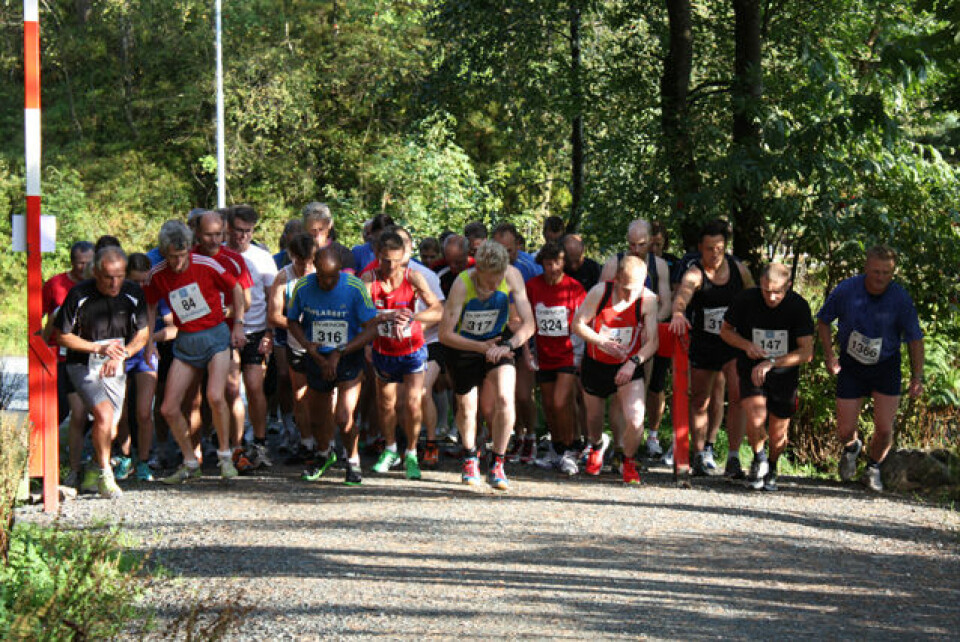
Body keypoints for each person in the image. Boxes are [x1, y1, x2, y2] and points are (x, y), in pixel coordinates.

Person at [144, 220, 247, 484]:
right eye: (172, 257)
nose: (177, 262)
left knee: (215, 394)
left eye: (181, 256)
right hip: (186, 340)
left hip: (215, 336)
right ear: (164, 253)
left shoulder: (206, 264)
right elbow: (150, 306)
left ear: (189, 249)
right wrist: (148, 343)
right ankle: (190, 461)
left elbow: (236, 288)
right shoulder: (158, 273)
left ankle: (225, 457)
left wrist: (238, 324)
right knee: (168, 407)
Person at [817, 245, 924, 492]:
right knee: (845, 429)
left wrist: (917, 376)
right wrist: (830, 356)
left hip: (886, 365)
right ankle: (852, 447)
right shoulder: (846, 290)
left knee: (885, 429)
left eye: (887, 273)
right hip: (851, 364)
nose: (881, 278)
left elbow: (915, 339)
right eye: (876, 272)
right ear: (866, 268)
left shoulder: (900, 298)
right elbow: (823, 321)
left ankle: (873, 467)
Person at [439, 240, 535, 490]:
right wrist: (479, 347)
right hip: (465, 346)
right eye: (488, 280)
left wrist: (510, 345)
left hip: (498, 343)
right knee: (467, 407)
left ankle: (498, 462)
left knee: (505, 397)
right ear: (478, 269)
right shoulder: (463, 283)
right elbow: (445, 334)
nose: (493, 286)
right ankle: (470, 455)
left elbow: (529, 324)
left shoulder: (513, 276)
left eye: (497, 279)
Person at [55, 247, 149, 498]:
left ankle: (93, 468)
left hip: (115, 363)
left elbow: (143, 333)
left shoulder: (132, 293)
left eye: (119, 276)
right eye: (108, 276)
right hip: (83, 364)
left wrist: (124, 352)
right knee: (104, 415)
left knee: (111, 427)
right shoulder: (79, 294)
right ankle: (106, 475)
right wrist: (98, 348)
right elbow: (60, 335)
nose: (114, 282)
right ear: (96, 272)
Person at [669, 219, 754, 477]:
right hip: (705, 344)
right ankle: (699, 454)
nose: (715, 254)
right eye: (709, 249)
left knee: (737, 396)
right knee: (700, 401)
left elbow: (754, 298)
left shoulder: (739, 270)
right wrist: (678, 313)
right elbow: (682, 296)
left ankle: (733, 457)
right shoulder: (695, 273)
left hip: (732, 342)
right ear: (700, 248)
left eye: (719, 248)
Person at [287, 247, 379, 485]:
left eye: (332, 276)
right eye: (322, 276)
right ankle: (323, 454)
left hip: (348, 356)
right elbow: (292, 321)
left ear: (340, 270)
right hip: (317, 356)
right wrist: (309, 347)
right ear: (315, 269)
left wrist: (341, 351)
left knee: (344, 416)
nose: (327, 282)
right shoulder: (303, 287)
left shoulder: (354, 287)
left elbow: (372, 327)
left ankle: (353, 460)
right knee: (318, 416)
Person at [720, 263, 814, 491]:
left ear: (788, 286)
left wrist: (772, 362)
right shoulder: (745, 300)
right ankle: (759, 458)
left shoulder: (798, 306)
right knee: (755, 416)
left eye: (777, 292)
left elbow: (806, 353)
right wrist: (746, 345)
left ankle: (772, 466)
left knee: (778, 431)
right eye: (766, 290)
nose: (771, 297)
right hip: (751, 368)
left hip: (784, 373)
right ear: (760, 284)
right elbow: (725, 331)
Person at [364, 230, 444, 480]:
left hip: (412, 349)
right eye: (386, 259)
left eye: (396, 260)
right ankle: (390, 450)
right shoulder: (369, 279)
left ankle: (411, 452)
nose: (391, 265)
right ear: (377, 255)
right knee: (386, 404)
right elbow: (360, 315)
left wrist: (412, 317)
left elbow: (438, 311)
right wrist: (386, 316)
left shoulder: (414, 277)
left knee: (412, 402)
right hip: (384, 350)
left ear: (404, 257)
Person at [573, 256, 659, 484]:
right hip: (596, 363)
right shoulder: (599, 293)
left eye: (637, 288)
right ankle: (597, 445)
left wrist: (633, 363)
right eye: (626, 288)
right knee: (594, 418)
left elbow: (653, 342)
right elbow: (578, 324)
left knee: (636, 418)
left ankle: (628, 461)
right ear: (617, 279)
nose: (631, 295)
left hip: (628, 365)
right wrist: (601, 342)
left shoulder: (648, 300)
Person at [599, 220, 672, 468]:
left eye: (641, 244)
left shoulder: (658, 265)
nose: (636, 249)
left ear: (651, 240)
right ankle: (618, 447)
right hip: (616, 338)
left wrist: (648, 324)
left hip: (643, 341)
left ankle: (631, 448)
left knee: (639, 393)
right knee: (617, 395)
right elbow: (600, 300)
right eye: (631, 243)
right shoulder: (614, 263)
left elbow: (666, 305)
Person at [114, 253, 177, 482]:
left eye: (144, 280)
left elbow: (174, 327)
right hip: (122, 353)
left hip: (146, 356)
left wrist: (152, 339)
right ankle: (124, 456)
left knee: (143, 411)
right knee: (120, 411)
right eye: (135, 281)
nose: (141, 286)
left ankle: (143, 460)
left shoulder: (157, 296)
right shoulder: (118, 295)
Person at [225, 205, 279, 469]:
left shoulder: (263, 258)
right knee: (232, 389)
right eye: (237, 231)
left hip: (256, 329)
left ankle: (259, 442)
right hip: (225, 330)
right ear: (228, 228)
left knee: (255, 388)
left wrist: (269, 332)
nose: (242, 237)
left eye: (247, 231)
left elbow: (273, 300)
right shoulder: (219, 255)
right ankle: (235, 446)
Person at [525, 241, 586, 475]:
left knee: (563, 402)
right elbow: (527, 322)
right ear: (542, 264)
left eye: (557, 262)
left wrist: (580, 355)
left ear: (564, 263)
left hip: (569, 354)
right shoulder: (532, 287)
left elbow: (582, 323)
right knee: (550, 406)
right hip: (544, 354)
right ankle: (557, 449)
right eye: (548, 263)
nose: (553, 268)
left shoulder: (574, 288)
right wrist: (528, 352)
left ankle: (572, 449)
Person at [41, 240, 94, 487]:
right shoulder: (55, 285)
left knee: (87, 414)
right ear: (72, 262)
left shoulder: (99, 285)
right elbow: (39, 318)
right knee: (61, 411)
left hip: (90, 357)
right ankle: (55, 463)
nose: (84, 268)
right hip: (60, 359)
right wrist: (42, 347)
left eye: (88, 263)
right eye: (79, 263)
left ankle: (88, 464)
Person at [267, 233, 317, 458]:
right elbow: (274, 315)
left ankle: (323, 439)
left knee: (323, 391)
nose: (305, 267)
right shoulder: (283, 276)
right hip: (292, 337)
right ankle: (298, 435)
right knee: (292, 385)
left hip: (320, 341)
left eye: (309, 262)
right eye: (300, 262)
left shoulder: (321, 273)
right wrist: (298, 327)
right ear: (291, 256)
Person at [302, 201, 355, 272]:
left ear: (329, 225)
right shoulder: (300, 251)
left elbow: (348, 280)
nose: (317, 234)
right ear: (305, 228)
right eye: (313, 230)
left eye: (321, 229)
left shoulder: (342, 253)